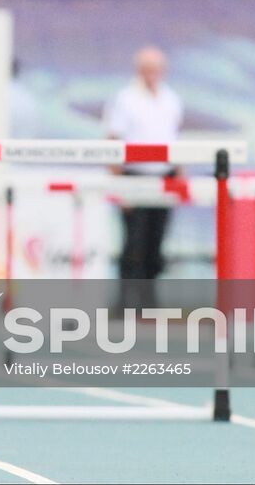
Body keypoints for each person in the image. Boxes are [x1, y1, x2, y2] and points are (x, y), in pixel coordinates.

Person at [103, 46, 183, 311]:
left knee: (156, 242)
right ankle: (126, 302)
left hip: (164, 176)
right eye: (147, 69)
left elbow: (174, 139)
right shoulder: (125, 99)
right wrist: (118, 184)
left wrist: (179, 176)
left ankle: (149, 302)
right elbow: (114, 140)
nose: (151, 74)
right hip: (134, 175)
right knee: (132, 243)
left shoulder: (171, 99)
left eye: (156, 69)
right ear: (139, 70)